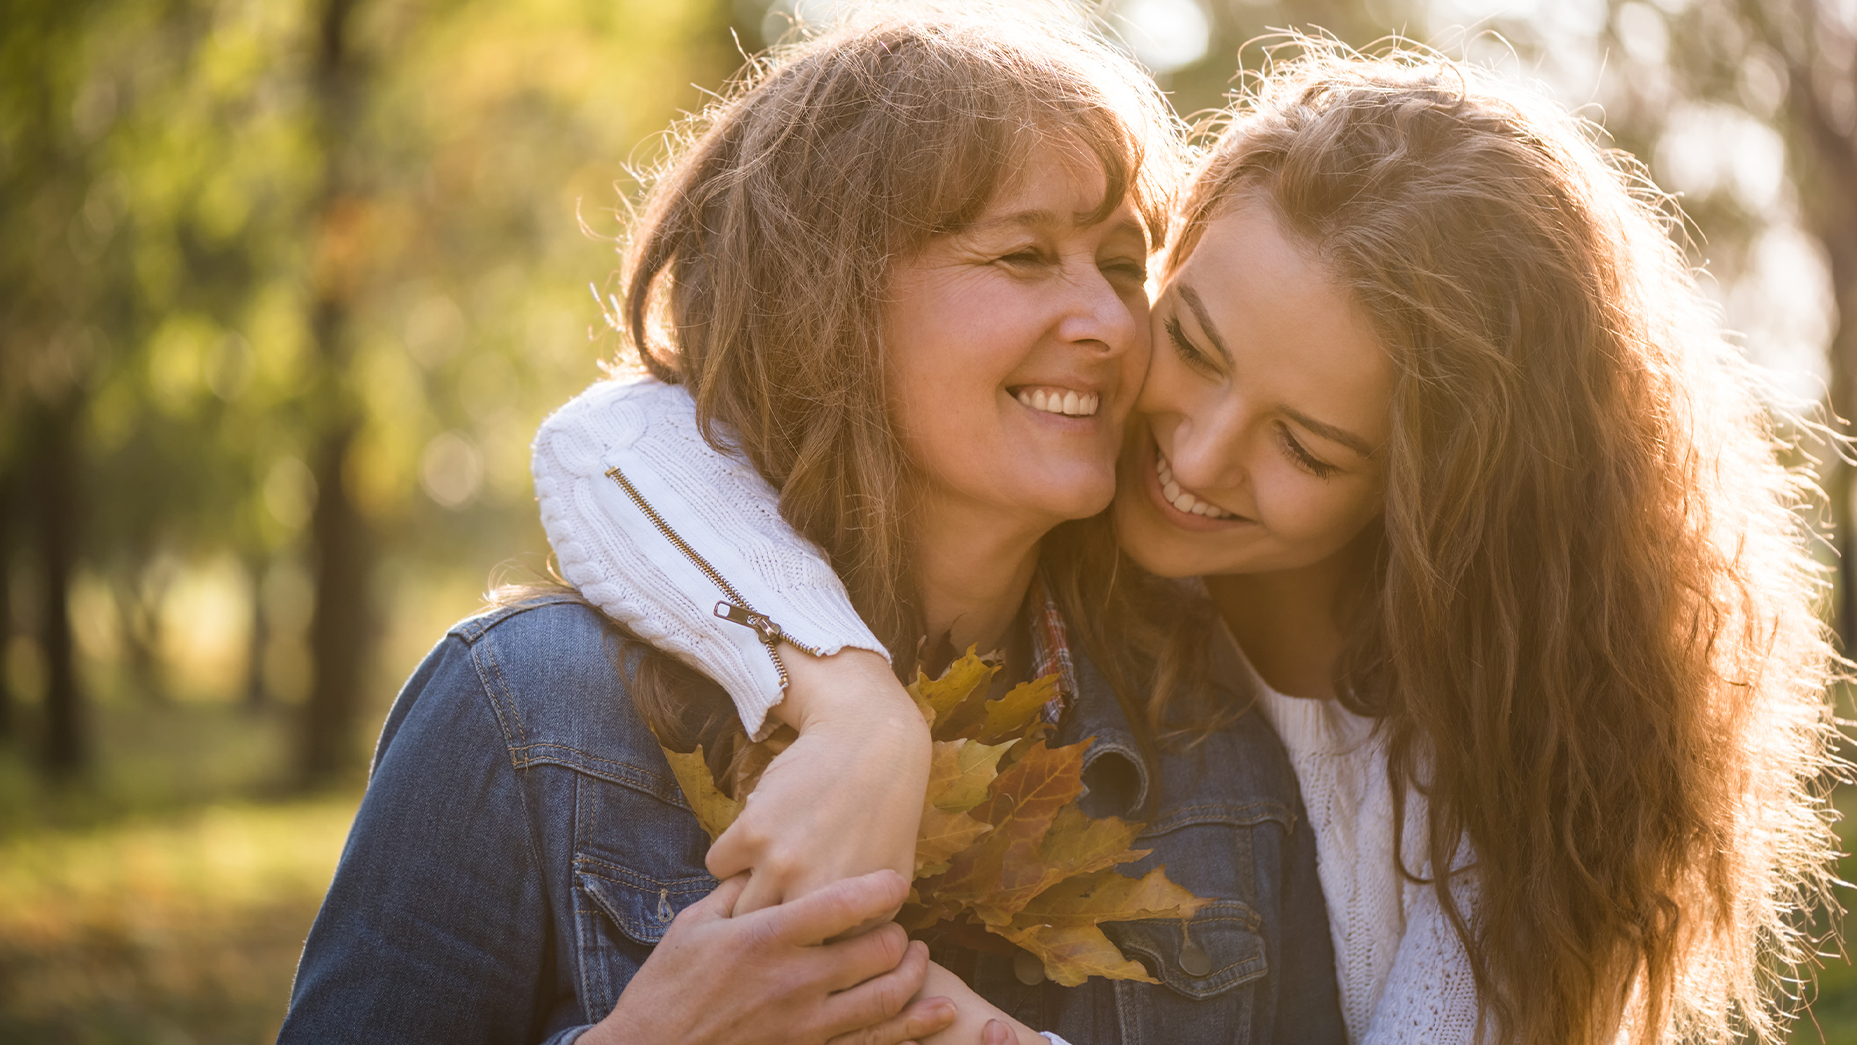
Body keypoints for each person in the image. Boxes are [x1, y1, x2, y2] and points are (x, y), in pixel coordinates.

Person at [553, 41, 1842, 1045]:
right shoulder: (1061, 523)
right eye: (1198, 346)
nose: (1193, 456)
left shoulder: (1496, 778)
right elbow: (610, 440)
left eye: (1308, 447)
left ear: (1436, 504)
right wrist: (855, 711)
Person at [280, 12, 1346, 1045]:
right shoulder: (527, 715)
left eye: (1123, 266)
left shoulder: (1210, 746)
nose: (1111, 324)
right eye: (1025, 257)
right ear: (823, 303)